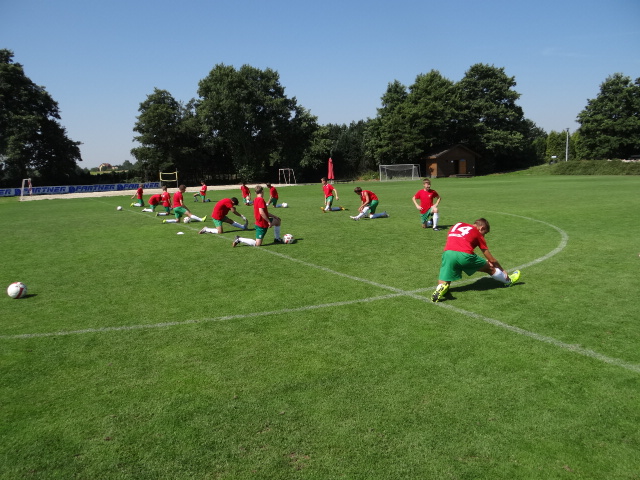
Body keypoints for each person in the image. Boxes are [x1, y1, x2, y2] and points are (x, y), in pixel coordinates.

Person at [431, 218, 521, 302]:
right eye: (484, 233)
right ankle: (509, 281)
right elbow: (491, 258)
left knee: (446, 280)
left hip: (447, 253)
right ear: (481, 228)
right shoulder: (477, 233)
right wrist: (502, 270)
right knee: (490, 267)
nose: (483, 236)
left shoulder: (458, 224)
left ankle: (440, 288)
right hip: (465, 256)